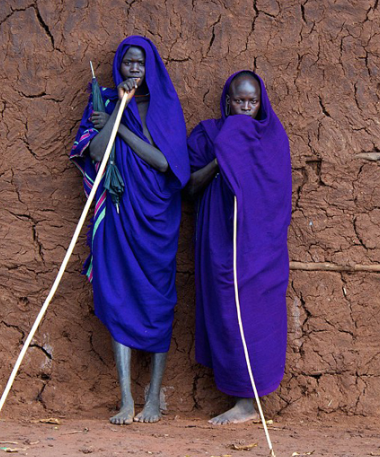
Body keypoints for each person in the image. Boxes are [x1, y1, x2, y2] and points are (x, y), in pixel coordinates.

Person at [69, 36, 189, 425]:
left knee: (157, 302)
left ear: (150, 67)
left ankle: (153, 397)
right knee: (118, 292)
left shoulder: (164, 106)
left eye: (140, 63)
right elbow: (98, 154)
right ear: (119, 66)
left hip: (155, 217)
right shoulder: (104, 101)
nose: (134, 70)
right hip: (119, 213)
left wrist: (120, 127)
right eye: (127, 63)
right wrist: (116, 110)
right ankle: (125, 399)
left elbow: (162, 163)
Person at [185, 71, 291, 425]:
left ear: (261, 103)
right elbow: (189, 187)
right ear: (227, 102)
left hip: (259, 247)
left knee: (256, 316)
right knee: (227, 314)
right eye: (238, 101)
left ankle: (250, 402)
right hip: (219, 244)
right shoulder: (209, 135)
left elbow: (277, 194)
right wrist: (222, 157)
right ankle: (238, 397)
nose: (245, 107)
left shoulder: (272, 139)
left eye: (252, 101)